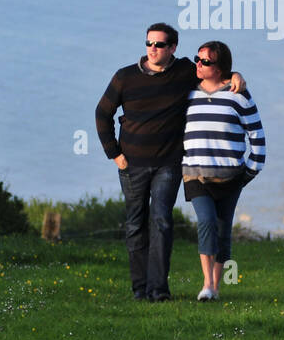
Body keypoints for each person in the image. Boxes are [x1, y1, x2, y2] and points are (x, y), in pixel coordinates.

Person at [96, 23, 244, 302]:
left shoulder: (185, 72)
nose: (153, 49)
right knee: (135, 223)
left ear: (173, 47)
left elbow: (213, 73)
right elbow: (102, 113)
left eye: (159, 45)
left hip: (168, 164)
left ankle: (159, 290)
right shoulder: (124, 77)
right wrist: (114, 154)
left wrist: (236, 75)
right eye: (149, 43)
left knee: (162, 221)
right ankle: (140, 289)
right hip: (131, 165)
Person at [181, 40, 265, 301]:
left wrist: (249, 172)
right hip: (195, 174)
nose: (199, 64)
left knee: (222, 229)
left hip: (230, 177)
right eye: (198, 58)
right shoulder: (186, 92)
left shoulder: (239, 95)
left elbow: (257, 137)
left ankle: (216, 287)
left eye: (205, 61)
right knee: (205, 222)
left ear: (220, 68)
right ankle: (206, 284)